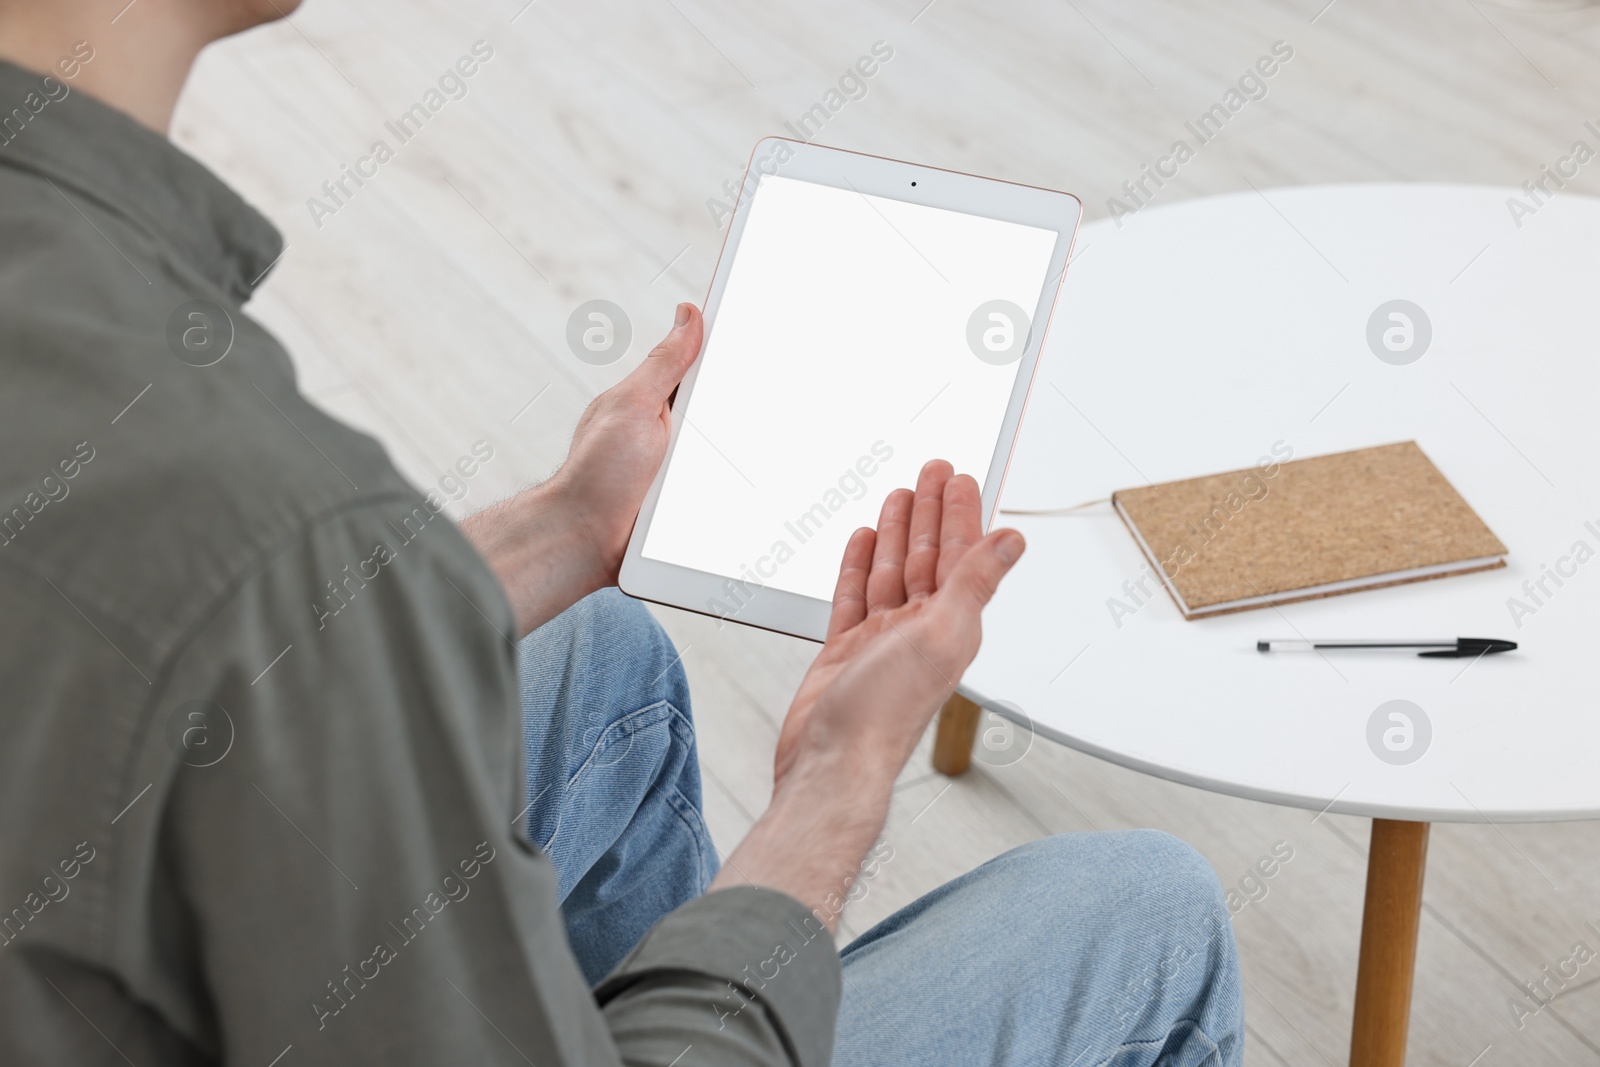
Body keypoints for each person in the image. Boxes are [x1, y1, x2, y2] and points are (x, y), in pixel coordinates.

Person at [0, 1, 1243, 1064]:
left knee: (603, 653)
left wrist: (564, 524)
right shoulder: (261, 513)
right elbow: (239, 601)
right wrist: (831, 784)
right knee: (1147, 909)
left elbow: (170, 657)